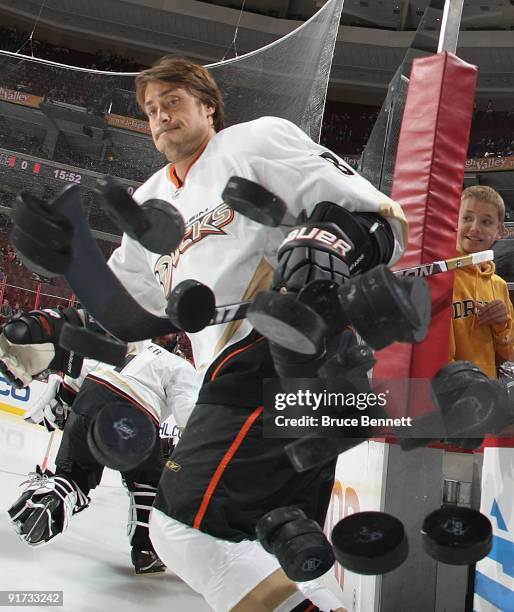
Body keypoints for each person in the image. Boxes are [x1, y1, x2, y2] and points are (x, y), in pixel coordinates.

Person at [0, 56, 407, 611]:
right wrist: (66, 280)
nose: (161, 116)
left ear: (207, 106)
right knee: (280, 541)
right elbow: (131, 313)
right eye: (150, 110)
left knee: (179, 529)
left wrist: (331, 243)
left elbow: (383, 220)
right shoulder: (147, 204)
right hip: (256, 371)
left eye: (173, 102)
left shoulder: (253, 143)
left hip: (286, 349)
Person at [7, 339, 198, 575]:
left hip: (92, 394)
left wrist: (65, 401)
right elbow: (186, 413)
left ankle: (53, 496)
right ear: (175, 348)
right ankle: (146, 552)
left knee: (72, 476)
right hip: (138, 413)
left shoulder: (129, 342)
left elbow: (80, 370)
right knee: (148, 483)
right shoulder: (181, 365)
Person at [449, 185, 514, 378]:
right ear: (455, 222)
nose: (475, 228)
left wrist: (502, 325)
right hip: (443, 397)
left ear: (500, 231)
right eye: (467, 218)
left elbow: (508, 358)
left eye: (486, 222)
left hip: (485, 397)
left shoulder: (499, 285)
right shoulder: (437, 276)